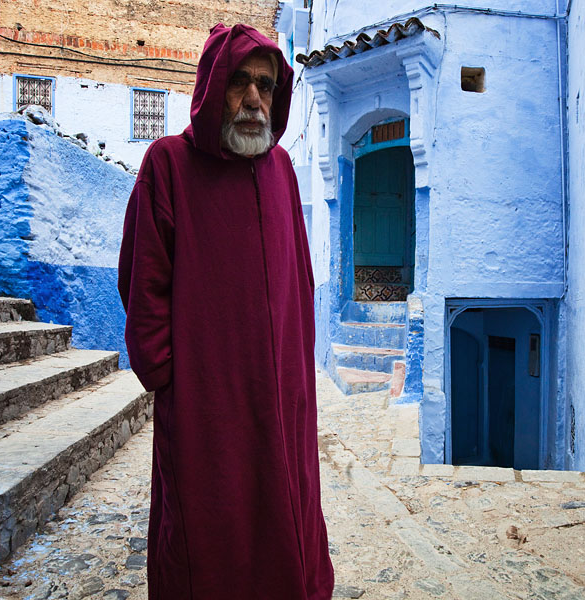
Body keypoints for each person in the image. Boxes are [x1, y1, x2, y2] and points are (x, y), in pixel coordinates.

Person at [117, 23, 335, 600]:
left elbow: (300, 280)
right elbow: (142, 289)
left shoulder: (282, 170)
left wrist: (296, 375)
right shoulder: (168, 165)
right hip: (205, 409)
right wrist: (176, 381)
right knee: (207, 537)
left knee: (285, 522)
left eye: (265, 85)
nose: (254, 99)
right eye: (240, 82)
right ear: (213, 86)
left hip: (281, 400)